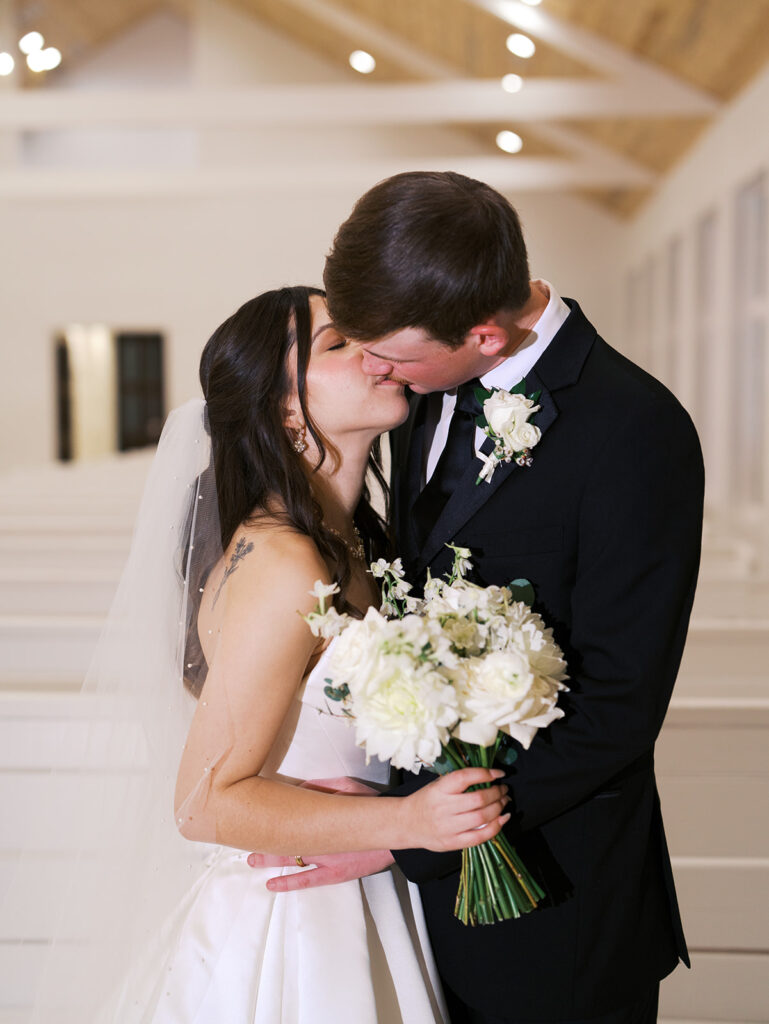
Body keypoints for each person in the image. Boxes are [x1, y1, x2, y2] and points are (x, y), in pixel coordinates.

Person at [251, 174, 705, 1024]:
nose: (375, 371)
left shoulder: (634, 430)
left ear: (485, 335)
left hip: (551, 898)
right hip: (412, 892)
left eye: (393, 356)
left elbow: (617, 706)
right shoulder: (425, 386)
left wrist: (407, 833)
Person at [18, 285, 510, 1024]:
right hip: (294, 930)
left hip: (359, 888)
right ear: (285, 411)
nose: (375, 355)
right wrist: (406, 825)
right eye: (340, 345)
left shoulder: (361, 547)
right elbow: (204, 801)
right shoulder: (282, 560)